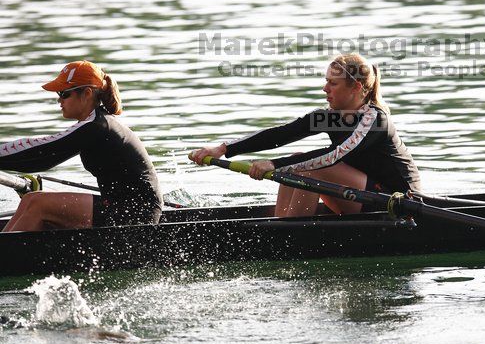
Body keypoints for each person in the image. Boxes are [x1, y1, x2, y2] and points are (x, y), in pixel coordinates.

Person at [190, 53, 421, 216]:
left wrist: (274, 164)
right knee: (300, 158)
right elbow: (280, 134)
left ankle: (291, 236)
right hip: (360, 195)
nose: (325, 89)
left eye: (333, 83)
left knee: (314, 166)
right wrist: (223, 149)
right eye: (325, 81)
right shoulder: (330, 117)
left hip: (398, 202)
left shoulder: (374, 120)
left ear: (356, 88)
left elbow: (334, 156)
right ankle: (284, 223)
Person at [0, 60, 163, 232]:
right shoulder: (96, 123)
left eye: (64, 93)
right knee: (29, 200)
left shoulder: (97, 126)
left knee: (37, 204)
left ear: (86, 93)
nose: (59, 100)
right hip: (123, 208)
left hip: (137, 214)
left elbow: (43, 152)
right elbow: (42, 154)